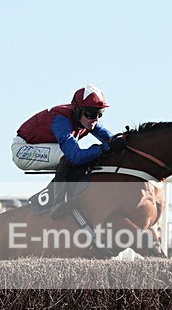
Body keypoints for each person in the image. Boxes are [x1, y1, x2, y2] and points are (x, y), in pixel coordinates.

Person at [11, 84, 125, 217]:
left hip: (42, 147)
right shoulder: (61, 121)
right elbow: (75, 157)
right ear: (77, 110)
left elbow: (111, 140)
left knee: (92, 154)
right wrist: (105, 148)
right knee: (71, 156)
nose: (95, 119)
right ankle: (58, 203)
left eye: (100, 114)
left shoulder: (87, 119)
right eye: (91, 113)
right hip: (23, 151)